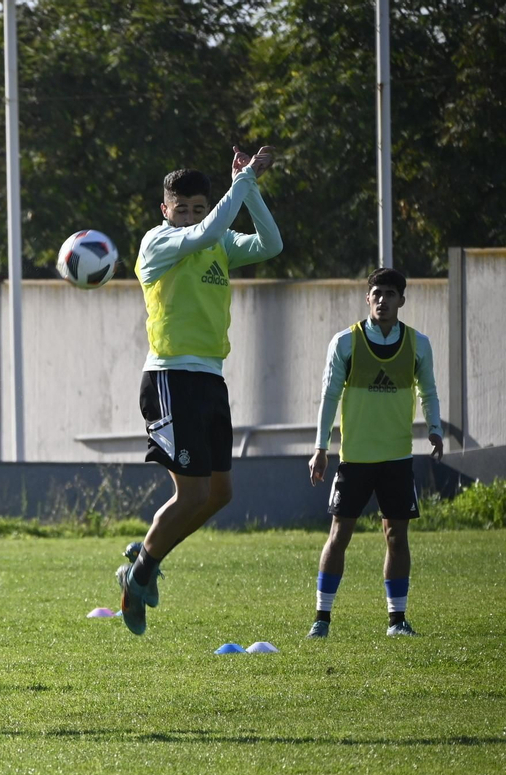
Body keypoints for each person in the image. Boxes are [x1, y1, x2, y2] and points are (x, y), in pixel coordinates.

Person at [117, 146, 284, 634]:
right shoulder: (158, 242)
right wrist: (246, 178)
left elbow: (271, 243)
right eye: (180, 207)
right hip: (171, 377)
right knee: (190, 495)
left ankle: (146, 557)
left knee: (219, 493)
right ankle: (140, 572)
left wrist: (248, 188)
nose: (189, 214)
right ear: (165, 209)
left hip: (210, 377)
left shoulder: (216, 241)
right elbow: (208, 229)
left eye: (197, 206)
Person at [306, 268, 441, 638]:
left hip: (397, 458)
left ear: (402, 300)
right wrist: (321, 448)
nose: (383, 300)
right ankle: (322, 619)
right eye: (377, 293)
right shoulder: (345, 343)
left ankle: (397, 621)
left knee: (397, 536)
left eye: (390, 294)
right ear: (368, 299)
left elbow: (428, 391)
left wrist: (435, 428)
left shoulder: (418, 344)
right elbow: (329, 397)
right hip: (355, 459)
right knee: (339, 534)